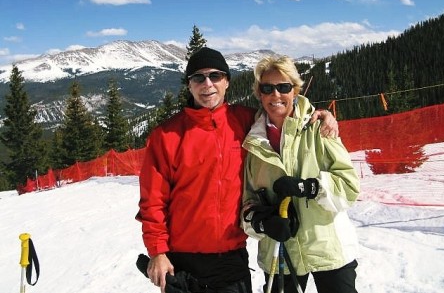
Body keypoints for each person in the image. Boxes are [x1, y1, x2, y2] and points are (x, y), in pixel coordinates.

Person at [136, 47, 339, 293]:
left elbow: (282, 110)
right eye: (198, 78)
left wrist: (320, 115)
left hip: (231, 259)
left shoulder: (246, 121)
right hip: (183, 259)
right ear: (189, 85)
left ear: (227, 82)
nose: (207, 84)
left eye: (215, 76)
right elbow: (152, 202)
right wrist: (158, 252)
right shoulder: (166, 136)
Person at [241, 55, 360, 293]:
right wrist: (263, 223)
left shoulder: (319, 128)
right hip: (280, 253)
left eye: (283, 87)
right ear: (259, 94)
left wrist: (311, 188)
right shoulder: (254, 143)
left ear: (295, 90)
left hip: (328, 250)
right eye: (267, 88)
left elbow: (349, 188)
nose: (275, 95)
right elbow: (248, 202)